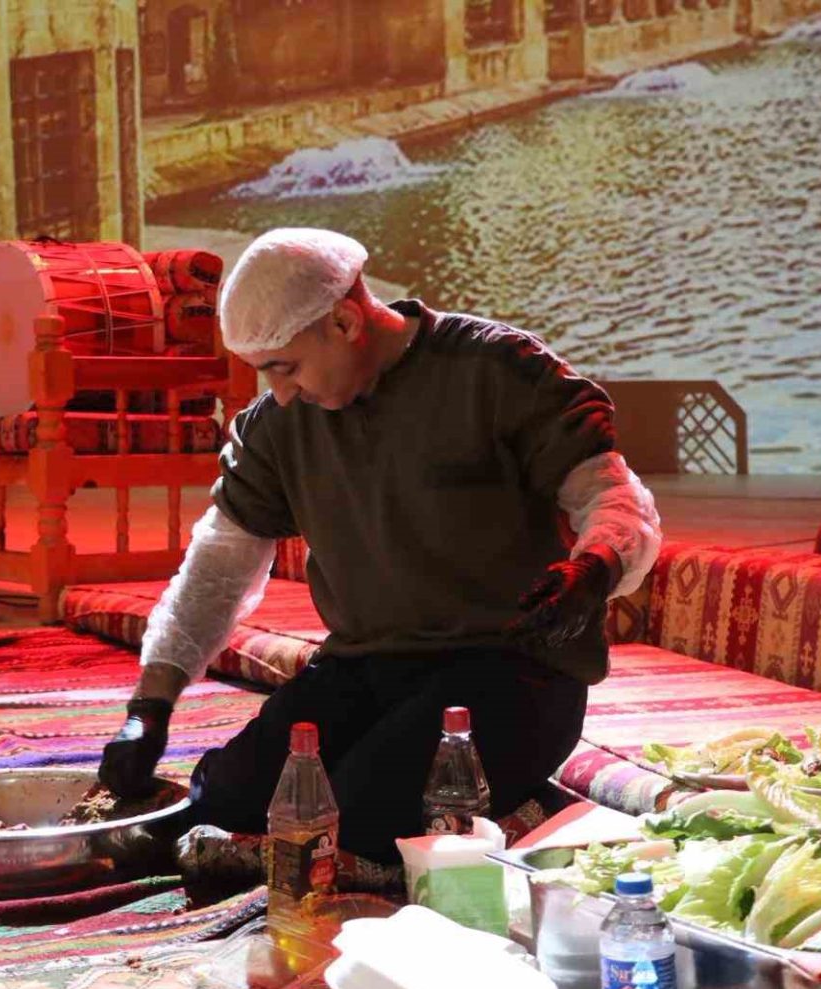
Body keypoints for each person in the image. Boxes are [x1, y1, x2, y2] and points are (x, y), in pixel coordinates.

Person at [97, 227, 661, 864]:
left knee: (363, 820)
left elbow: (611, 495)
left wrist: (595, 567)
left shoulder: (497, 369)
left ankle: (519, 814)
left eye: (286, 367)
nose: (280, 392)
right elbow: (217, 568)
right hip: (366, 668)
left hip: (514, 672)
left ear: (343, 322)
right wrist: (150, 707)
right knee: (229, 799)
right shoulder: (279, 425)